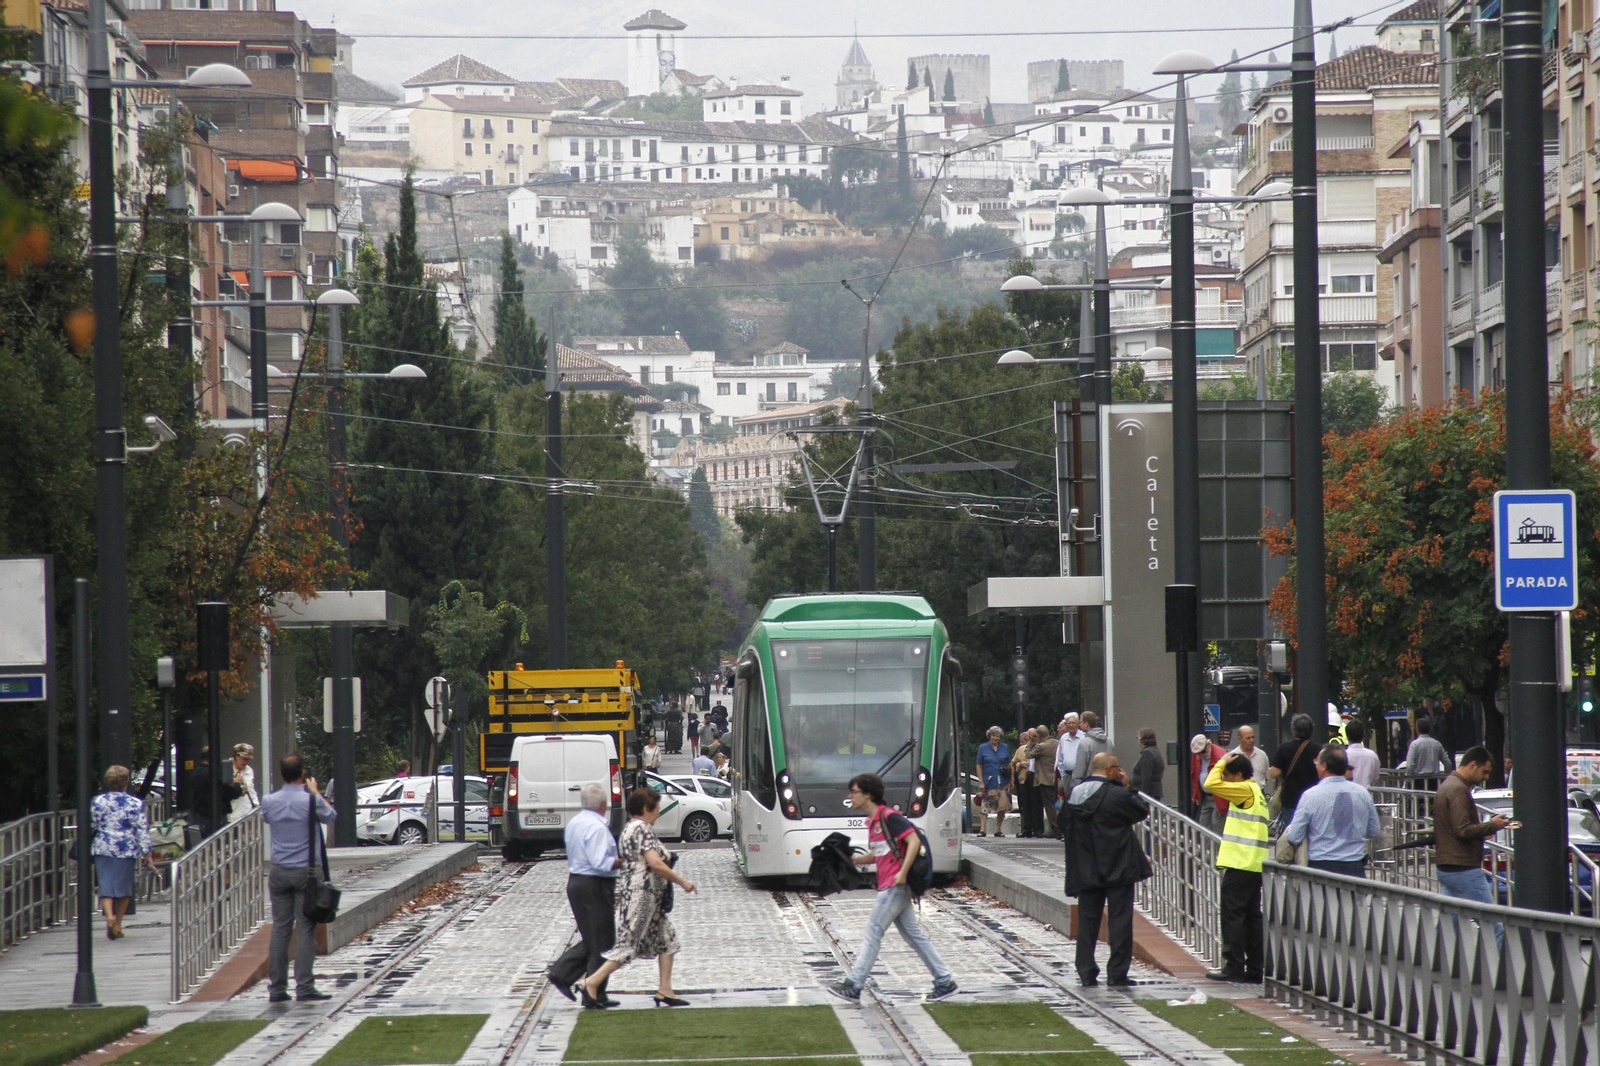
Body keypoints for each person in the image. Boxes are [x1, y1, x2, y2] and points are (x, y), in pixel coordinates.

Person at [827, 772, 959, 1002]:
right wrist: (856, 860)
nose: (850, 796)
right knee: (913, 935)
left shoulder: (889, 817)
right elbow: (880, 853)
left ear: (868, 794)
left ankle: (854, 984)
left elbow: (914, 841)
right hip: (892, 883)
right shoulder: (873, 821)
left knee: (873, 931)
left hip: (896, 885)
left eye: (854, 792)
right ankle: (944, 981)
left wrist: (902, 872)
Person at [582, 788, 698, 1009]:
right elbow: (654, 862)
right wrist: (682, 881)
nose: (659, 813)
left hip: (646, 896)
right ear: (646, 809)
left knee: (667, 940)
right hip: (642, 897)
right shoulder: (642, 829)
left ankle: (665, 990)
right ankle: (591, 982)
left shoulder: (630, 828)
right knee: (629, 944)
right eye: (657, 808)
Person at [1061, 752, 1151, 987]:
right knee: (1120, 920)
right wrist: (1128, 786)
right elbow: (1141, 811)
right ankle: (1117, 973)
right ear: (1111, 769)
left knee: (1087, 921)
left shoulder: (1074, 795)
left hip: (1085, 867)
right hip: (1118, 866)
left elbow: (1063, 823)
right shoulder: (1117, 794)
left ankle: (1086, 971)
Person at [258, 753, 337, 1002]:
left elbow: (266, 818)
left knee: (280, 928)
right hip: (307, 871)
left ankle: (278, 989)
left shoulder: (269, 801)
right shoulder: (310, 801)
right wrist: (314, 793)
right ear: (303, 774)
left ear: (281, 774)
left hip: (279, 870)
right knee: (305, 928)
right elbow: (331, 817)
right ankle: (304, 986)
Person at [549, 783, 621, 1007]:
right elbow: (601, 863)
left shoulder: (575, 823)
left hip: (577, 882)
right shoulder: (598, 827)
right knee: (603, 941)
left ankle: (570, 978)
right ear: (603, 804)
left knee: (594, 939)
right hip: (594, 884)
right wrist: (626, 860)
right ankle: (590, 990)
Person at [1433, 746, 1510, 947]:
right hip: (1463, 867)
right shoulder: (1458, 789)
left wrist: (1484, 829)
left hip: (1448, 866)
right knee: (1494, 925)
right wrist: (1490, 826)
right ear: (1472, 765)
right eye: (1484, 771)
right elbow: (1462, 830)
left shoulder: (1448, 785)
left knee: (1447, 925)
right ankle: (1504, 976)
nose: (1485, 777)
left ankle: (1428, 964)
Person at [1203, 754, 1267, 982]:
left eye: (1228, 776)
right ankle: (1255, 969)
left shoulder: (1243, 789)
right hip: (1253, 863)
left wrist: (1221, 761)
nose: (1225, 781)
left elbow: (1209, 784)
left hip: (1240, 862)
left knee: (1233, 916)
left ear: (1238, 776)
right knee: (1251, 918)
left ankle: (1234, 967)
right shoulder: (1256, 791)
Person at [1283, 747, 1382, 877]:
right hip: (1354, 866)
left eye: (1316, 762)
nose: (1315, 765)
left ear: (1323, 766)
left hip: (1321, 867)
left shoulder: (1310, 795)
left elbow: (1294, 836)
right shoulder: (1362, 793)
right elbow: (1374, 830)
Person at [90, 765, 155, 940]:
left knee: (105, 884)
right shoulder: (135, 803)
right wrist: (147, 853)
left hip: (103, 846)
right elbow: (142, 828)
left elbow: (93, 824)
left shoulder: (98, 802)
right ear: (126, 782)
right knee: (124, 888)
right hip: (126, 848)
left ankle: (109, 916)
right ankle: (118, 923)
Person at [1268, 714, 1319, 826]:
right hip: (1313, 799)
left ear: (1293, 730)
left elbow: (1273, 773)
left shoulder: (1284, 748)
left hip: (1290, 799)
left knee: (1291, 833)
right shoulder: (1318, 749)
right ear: (1311, 730)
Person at [189, 746, 242, 835]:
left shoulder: (196, 773)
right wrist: (237, 784)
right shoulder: (214, 775)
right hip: (218, 816)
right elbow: (229, 792)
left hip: (203, 816)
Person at [974, 727, 1012, 837]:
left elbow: (1009, 764)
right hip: (989, 780)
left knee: (1002, 805)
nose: (995, 738)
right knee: (985, 805)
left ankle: (998, 829)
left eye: (997, 736)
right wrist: (981, 781)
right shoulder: (983, 748)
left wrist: (1011, 779)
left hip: (1003, 780)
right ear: (990, 736)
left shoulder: (1004, 747)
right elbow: (979, 765)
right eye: (993, 735)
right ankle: (982, 829)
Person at [1189, 735, 1228, 833]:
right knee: (1203, 824)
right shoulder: (1197, 755)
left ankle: (1217, 848)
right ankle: (1206, 848)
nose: (1201, 755)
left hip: (1218, 796)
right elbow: (1195, 773)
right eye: (1198, 753)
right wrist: (1196, 794)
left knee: (1217, 825)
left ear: (1208, 745)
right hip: (1206, 796)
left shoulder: (1219, 755)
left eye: (1203, 752)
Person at [1031, 724, 1060, 837]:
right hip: (1055, 777)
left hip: (1045, 779)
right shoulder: (1057, 743)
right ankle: (1058, 826)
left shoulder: (1041, 746)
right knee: (1056, 803)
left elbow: (1028, 754)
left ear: (1038, 735)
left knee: (1049, 805)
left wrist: (1031, 742)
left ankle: (1054, 828)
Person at [1070, 712, 1109, 794]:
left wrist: (1074, 791)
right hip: (1106, 786)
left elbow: (1079, 771)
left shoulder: (1085, 743)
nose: (1079, 724)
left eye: (1080, 722)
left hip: (1088, 788)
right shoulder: (1108, 742)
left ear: (1086, 724)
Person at [1012, 729, 1040, 838]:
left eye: (1034, 736)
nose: (1032, 738)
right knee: (1025, 804)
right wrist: (1021, 764)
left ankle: (1038, 829)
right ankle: (1026, 829)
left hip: (1036, 778)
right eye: (1030, 736)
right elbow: (1013, 764)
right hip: (1024, 778)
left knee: (1036, 804)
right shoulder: (1021, 749)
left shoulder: (1040, 747)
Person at [1405, 717, 1450, 782]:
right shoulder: (1436, 743)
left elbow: (1409, 766)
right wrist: (1445, 775)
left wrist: (1408, 779)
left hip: (1418, 780)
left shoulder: (1415, 744)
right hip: (1435, 780)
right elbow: (1447, 763)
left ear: (1417, 730)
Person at [1054, 714, 1082, 808]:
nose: (1071, 725)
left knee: (1079, 801)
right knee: (1068, 802)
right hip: (1066, 776)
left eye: (1073, 723)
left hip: (1080, 776)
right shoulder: (1063, 738)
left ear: (1078, 724)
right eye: (1069, 723)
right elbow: (1060, 759)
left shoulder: (1084, 737)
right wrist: (1063, 775)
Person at [1342, 720, 1380, 790]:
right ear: (1363, 735)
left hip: (1349, 794)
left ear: (1347, 736)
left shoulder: (1343, 756)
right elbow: (1376, 777)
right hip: (1368, 794)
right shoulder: (1372, 756)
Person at [1128, 729, 1164, 801]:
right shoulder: (1155, 750)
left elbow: (1146, 777)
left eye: (1137, 737)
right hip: (1154, 793)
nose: (1137, 740)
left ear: (1143, 740)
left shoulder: (1148, 753)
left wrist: (1143, 796)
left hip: (1148, 795)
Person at [229, 742, 260, 822]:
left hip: (247, 815)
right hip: (232, 817)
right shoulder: (226, 769)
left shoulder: (249, 770)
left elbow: (251, 790)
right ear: (236, 756)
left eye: (248, 759)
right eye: (244, 758)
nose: (246, 762)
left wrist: (256, 806)